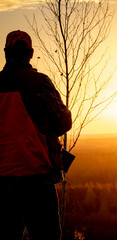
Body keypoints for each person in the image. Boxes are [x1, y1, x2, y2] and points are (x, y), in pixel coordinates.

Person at [0, 30, 72, 240]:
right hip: (37, 181)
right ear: (30, 54)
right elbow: (63, 122)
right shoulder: (39, 83)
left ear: (6, 53)